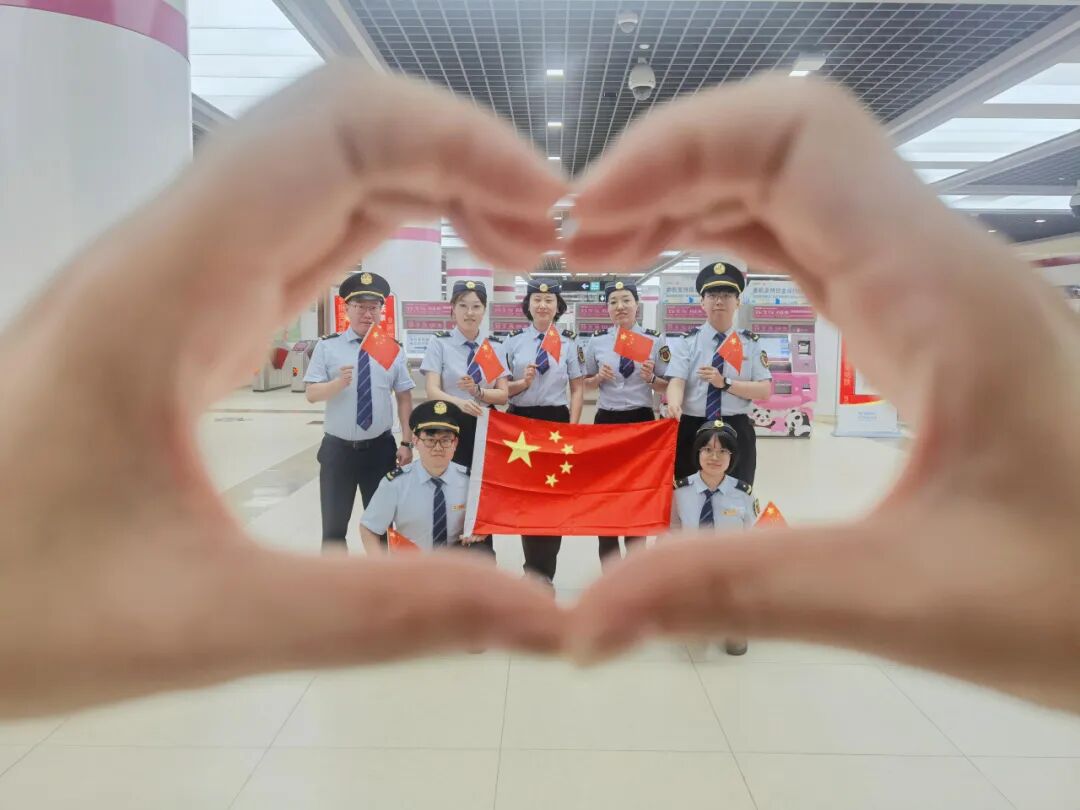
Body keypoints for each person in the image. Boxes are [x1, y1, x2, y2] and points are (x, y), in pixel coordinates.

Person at [2, 66, 1078, 720]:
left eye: (588, 310)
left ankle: (683, 591)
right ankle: (484, 591)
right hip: (519, 429)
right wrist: (499, 380)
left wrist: (661, 377)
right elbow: (492, 391)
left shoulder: (691, 342)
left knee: (666, 511)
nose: (569, 316)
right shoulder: (508, 343)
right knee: (484, 512)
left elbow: (683, 388)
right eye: (555, 309)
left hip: (648, 429)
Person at [304, 271, 415, 551]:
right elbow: (311, 394)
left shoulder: (391, 349)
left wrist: (406, 442)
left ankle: (380, 577)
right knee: (333, 528)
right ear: (347, 309)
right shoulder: (328, 347)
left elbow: (404, 397)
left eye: (374, 307)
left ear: (381, 311)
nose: (367, 314)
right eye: (360, 307)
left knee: (381, 528)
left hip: (379, 451)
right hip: (338, 451)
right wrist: (337, 384)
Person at [504, 278, 585, 585]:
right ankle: (531, 571)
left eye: (549, 300)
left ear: (557, 306)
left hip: (555, 423)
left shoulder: (569, 342)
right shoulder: (512, 342)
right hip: (520, 422)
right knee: (527, 501)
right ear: (528, 305)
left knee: (552, 500)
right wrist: (521, 383)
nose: (542, 305)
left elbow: (577, 388)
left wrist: (573, 428)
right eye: (536, 300)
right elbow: (502, 389)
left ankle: (544, 574)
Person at [583, 279, 669, 568]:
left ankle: (635, 569)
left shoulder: (655, 340)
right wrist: (598, 378)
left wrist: (652, 379)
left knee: (637, 496)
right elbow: (584, 383)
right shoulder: (596, 342)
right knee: (605, 495)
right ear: (607, 308)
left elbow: (668, 385)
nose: (620, 307)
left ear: (637, 304)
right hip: (606, 421)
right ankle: (610, 570)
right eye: (613, 302)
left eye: (625, 300)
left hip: (641, 421)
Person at [420, 280, 509, 556]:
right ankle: (448, 554)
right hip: (449, 428)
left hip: (485, 429)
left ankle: (483, 553)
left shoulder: (494, 346)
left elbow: (503, 395)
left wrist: (478, 392)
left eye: (476, 306)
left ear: (484, 310)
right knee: (449, 489)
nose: (469, 313)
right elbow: (432, 390)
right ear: (453, 309)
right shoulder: (440, 343)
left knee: (482, 491)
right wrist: (462, 402)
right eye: (463, 306)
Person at [664, 263, 772, 484]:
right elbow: (677, 380)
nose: (719, 301)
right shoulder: (687, 342)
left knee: (736, 490)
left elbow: (764, 390)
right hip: (693, 426)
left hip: (736, 427)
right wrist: (674, 403)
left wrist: (725, 382)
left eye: (726, 295)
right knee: (687, 490)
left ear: (738, 302)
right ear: (702, 302)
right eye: (712, 295)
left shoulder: (750, 343)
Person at [669, 421, 757, 655]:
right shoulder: (680, 492)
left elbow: (751, 535)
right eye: (707, 449)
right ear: (698, 453)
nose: (714, 457)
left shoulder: (742, 493)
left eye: (722, 451)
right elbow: (673, 531)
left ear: (732, 456)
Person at [359, 399, 485, 554]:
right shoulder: (396, 484)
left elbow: (486, 523)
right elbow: (369, 528)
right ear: (416, 441)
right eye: (430, 440)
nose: (438, 448)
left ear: (455, 443)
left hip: (454, 563)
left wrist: (480, 532)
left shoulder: (471, 482)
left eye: (445, 440)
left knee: (484, 553)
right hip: (411, 563)